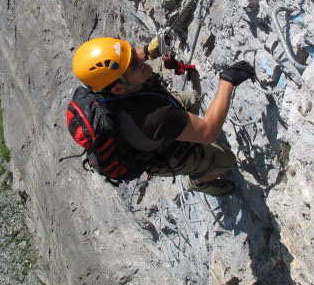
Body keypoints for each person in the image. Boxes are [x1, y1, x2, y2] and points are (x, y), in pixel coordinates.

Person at [72, 37, 255, 196]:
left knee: (193, 98)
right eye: (135, 63)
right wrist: (228, 81)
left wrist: (148, 51)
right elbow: (208, 133)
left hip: (159, 114)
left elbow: (128, 62)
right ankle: (199, 182)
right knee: (226, 160)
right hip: (167, 154)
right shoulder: (152, 116)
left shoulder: (110, 83)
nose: (140, 59)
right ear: (119, 88)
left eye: (133, 55)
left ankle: (186, 130)